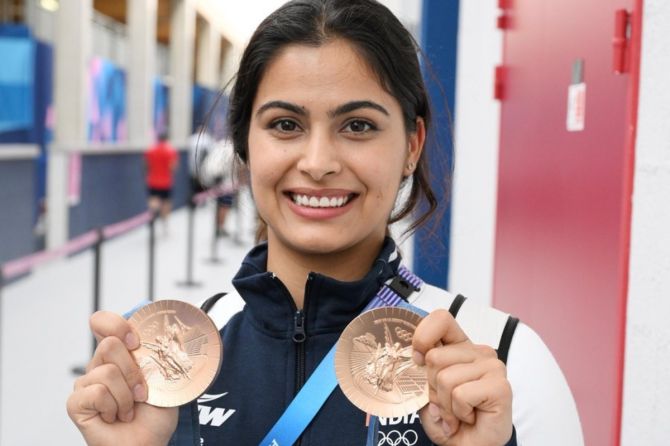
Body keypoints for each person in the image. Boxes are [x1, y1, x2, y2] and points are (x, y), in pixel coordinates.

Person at [66, 1, 584, 445]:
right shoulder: (162, 367)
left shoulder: (504, 363)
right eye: (286, 125)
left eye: (357, 126)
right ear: (245, 144)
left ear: (411, 146)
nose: (318, 162)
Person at [145, 131, 179, 233]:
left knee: (153, 201)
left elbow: (147, 166)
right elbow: (172, 167)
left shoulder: (150, 150)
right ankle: (165, 224)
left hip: (152, 181)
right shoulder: (171, 151)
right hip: (166, 182)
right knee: (166, 203)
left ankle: (153, 219)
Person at [186, 124, 215, 202]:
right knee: (203, 185)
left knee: (194, 186)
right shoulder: (208, 139)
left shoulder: (191, 139)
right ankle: (201, 200)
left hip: (193, 168)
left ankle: (195, 200)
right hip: (204, 169)